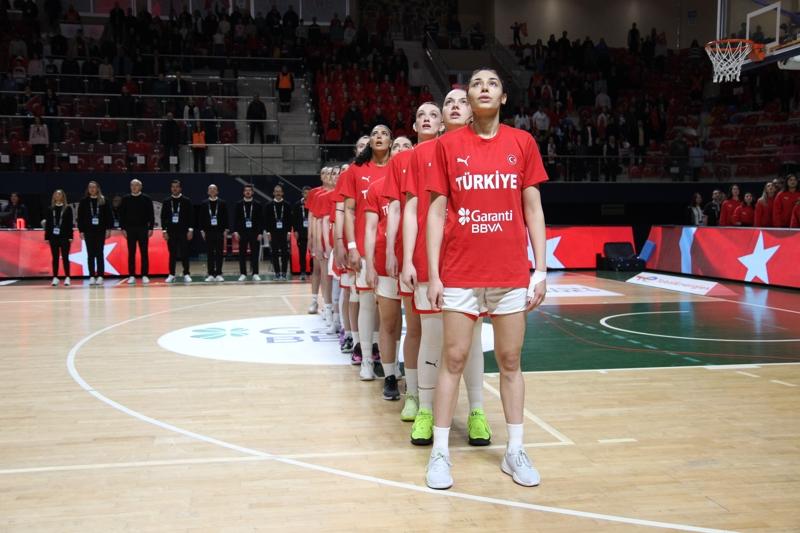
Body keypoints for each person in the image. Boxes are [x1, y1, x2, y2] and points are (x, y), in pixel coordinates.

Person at [424, 69, 548, 490]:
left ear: (503, 97)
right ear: (469, 97)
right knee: (453, 359)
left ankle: (515, 451)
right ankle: (440, 453)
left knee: (511, 362)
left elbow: (533, 208)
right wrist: (434, 273)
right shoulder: (447, 145)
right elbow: (436, 212)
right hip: (461, 272)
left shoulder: (522, 142)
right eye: (476, 83)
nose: (483, 88)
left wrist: (541, 269)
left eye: (492, 83)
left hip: (510, 273)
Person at [402, 89, 493, 448]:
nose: (455, 106)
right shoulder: (421, 153)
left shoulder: (486, 149)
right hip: (431, 259)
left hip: (473, 259)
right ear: (442, 116)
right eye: (448, 103)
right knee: (432, 335)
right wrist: (407, 259)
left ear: (471, 111)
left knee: (472, 340)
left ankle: (477, 412)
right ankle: (425, 410)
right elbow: (412, 209)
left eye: (461, 101)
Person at [343, 125, 393, 380]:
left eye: (384, 133)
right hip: (366, 250)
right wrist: (351, 246)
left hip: (393, 251)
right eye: (374, 134)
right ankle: (365, 360)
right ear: (369, 142)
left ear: (391, 141)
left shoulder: (399, 169)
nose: (379, 136)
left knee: (389, 310)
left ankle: (386, 359)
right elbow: (349, 211)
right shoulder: (356, 170)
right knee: (366, 305)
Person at [365, 136, 413, 400]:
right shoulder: (376, 187)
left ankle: (416, 378)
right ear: (390, 153)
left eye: (407, 146)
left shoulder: (422, 181)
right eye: (397, 146)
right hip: (387, 263)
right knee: (389, 322)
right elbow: (371, 228)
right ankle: (390, 375)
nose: (402, 150)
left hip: (415, 261)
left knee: (416, 326)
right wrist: (371, 265)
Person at [332, 137, 371, 356]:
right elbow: (341, 211)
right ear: (355, 150)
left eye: (368, 144)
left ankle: (374, 344)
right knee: (353, 292)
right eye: (361, 145)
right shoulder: (350, 173)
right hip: (354, 241)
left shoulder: (384, 168)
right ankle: (353, 338)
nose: (365, 148)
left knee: (376, 300)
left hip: (377, 242)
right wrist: (340, 242)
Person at [119, 179, 154, 285]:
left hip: (143, 229)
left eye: (136, 185)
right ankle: (132, 275)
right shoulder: (125, 199)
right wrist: (123, 228)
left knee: (144, 252)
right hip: (130, 229)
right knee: (131, 253)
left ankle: (144, 275)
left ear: (140, 187)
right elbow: (122, 214)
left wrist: (151, 228)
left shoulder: (146, 198)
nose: (134, 187)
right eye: (132, 185)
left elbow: (151, 214)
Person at [77, 181, 112, 285]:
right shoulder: (84, 201)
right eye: (90, 187)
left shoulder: (103, 200)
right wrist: (81, 230)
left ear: (98, 189)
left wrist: (108, 229)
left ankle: (100, 276)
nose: (92, 189)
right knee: (90, 254)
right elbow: (80, 218)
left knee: (100, 253)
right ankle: (92, 276)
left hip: (100, 231)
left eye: (94, 187)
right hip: (88, 231)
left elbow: (108, 216)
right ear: (88, 189)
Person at [160, 180, 194, 283]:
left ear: (180, 188)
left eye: (177, 187)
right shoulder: (167, 201)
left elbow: (191, 216)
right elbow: (163, 217)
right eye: (173, 187)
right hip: (171, 232)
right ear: (171, 188)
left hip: (183, 231)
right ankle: (171, 274)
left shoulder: (186, 201)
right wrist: (164, 231)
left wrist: (190, 230)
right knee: (172, 254)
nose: (175, 189)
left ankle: (186, 274)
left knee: (185, 253)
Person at [233, 184, 264, 281]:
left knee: (255, 253)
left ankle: (255, 273)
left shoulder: (257, 204)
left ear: (252, 192)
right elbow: (236, 219)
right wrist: (236, 231)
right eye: (246, 190)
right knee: (242, 254)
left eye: (249, 190)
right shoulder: (239, 204)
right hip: (242, 232)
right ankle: (243, 273)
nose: (248, 192)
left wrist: (260, 233)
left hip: (254, 232)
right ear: (243, 192)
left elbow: (261, 220)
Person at [199, 184, 229, 282]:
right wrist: (202, 230)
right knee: (210, 253)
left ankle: (219, 273)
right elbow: (201, 218)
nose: (212, 190)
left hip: (219, 231)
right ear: (208, 191)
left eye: (214, 189)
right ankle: (211, 274)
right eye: (210, 189)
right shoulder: (204, 203)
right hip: (208, 232)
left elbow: (226, 217)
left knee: (219, 253)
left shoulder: (222, 203)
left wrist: (226, 230)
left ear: (217, 191)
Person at [44, 189, 74, 287]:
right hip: (53, 237)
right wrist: (47, 237)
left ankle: (67, 277)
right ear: (54, 196)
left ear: (63, 196)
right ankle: (55, 277)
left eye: (59, 194)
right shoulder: (50, 209)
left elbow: (70, 223)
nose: (57, 196)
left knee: (65, 257)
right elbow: (48, 224)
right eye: (56, 194)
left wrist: (70, 236)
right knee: (55, 257)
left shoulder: (67, 208)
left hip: (64, 237)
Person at [266, 184, 292, 280]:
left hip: (284, 232)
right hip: (273, 232)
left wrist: (289, 232)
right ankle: (277, 273)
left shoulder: (287, 205)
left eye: (279, 191)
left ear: (282, 193)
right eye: (276, 191)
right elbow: (266, 220)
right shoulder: (269, 205)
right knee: (275, 253)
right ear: (273, 193)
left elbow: (290, 220)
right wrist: (268, 232)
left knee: (285, 253)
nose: (278, 193)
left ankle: (284, 273)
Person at [292, 186, 311, 280]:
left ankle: (313, 271)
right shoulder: (297, 205)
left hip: (312, 233)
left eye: (309, 193)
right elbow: (294, 219)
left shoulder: (314, 203)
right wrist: (295, 230)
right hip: (301, 233)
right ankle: (302, 272)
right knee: (302, 253)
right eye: (305, 193)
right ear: (302, 194)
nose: (307, 195)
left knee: (313, 254)